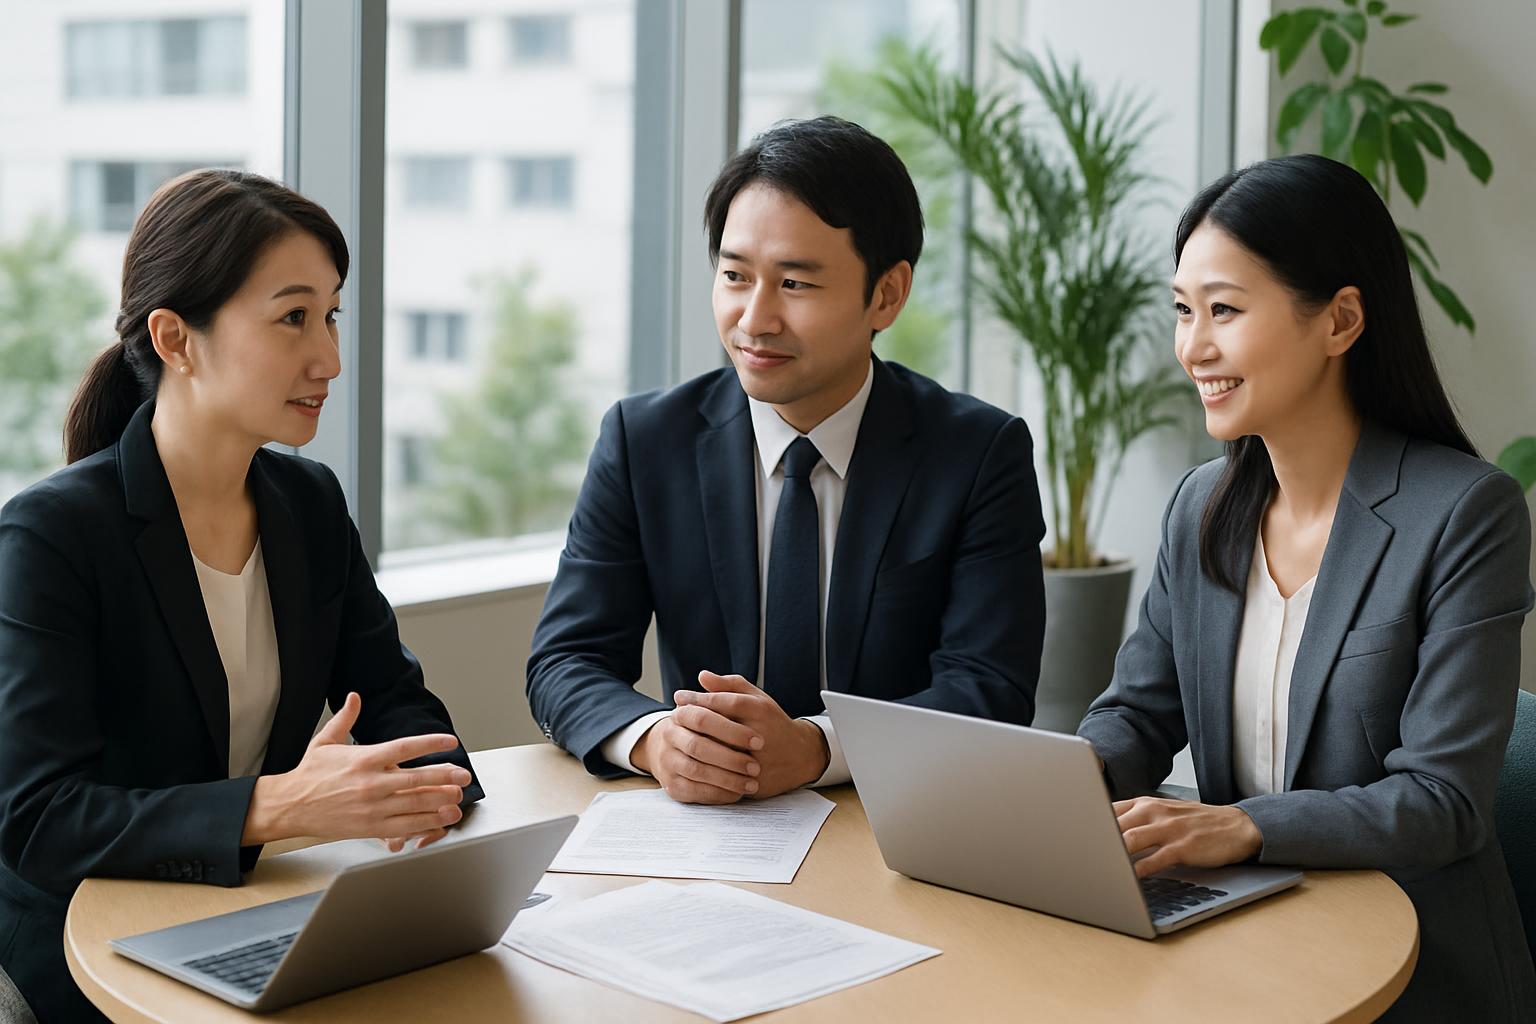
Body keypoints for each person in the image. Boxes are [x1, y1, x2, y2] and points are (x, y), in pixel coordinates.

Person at [0, 169, 482, 1023]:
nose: (329, 358)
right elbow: (41, 821)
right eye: (293, 317)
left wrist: (424, 782)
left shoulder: (310, 503)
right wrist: (283, 803)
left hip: (255, 909)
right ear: (176, 339)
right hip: (91, 940)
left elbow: (396, 701)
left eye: (331, 315)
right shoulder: (50, 536)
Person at [1077, 154, 1534, 1021]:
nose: (1193, 346)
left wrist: (1244, 826)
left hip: (1412, 970)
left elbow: (1443, 802)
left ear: (1341, 320)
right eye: (1182, 310)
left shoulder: (1467, 513)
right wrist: (1065, 787)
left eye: (1224, 310)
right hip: (1240, 942)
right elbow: (1137, 714)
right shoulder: (1199, 507)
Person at [527, 116, 1046, 803]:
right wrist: (655, 740)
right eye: (735, 276)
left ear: (886, 294)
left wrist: (815, 748)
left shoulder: (977, 454)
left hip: (893, 823)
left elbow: (990, 687)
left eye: (795, 285)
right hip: (708, 836)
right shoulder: (646, 440)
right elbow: (567, 659)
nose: (755, 318)